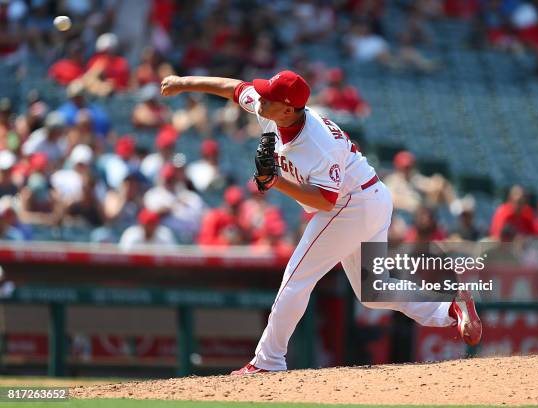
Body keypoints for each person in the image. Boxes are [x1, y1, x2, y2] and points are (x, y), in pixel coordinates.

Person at [161, 69, 482, 374]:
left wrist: (275, 182)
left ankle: (267, 360)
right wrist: (183, 82)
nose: (260, 99)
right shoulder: (273, 110)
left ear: (288, 109)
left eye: (269, 96)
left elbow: (325, 201)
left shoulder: (316, 143)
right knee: (374, 291)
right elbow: (234, 88)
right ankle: (450, 307)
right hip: (370, 197)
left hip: (349, 204)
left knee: (297, 277)